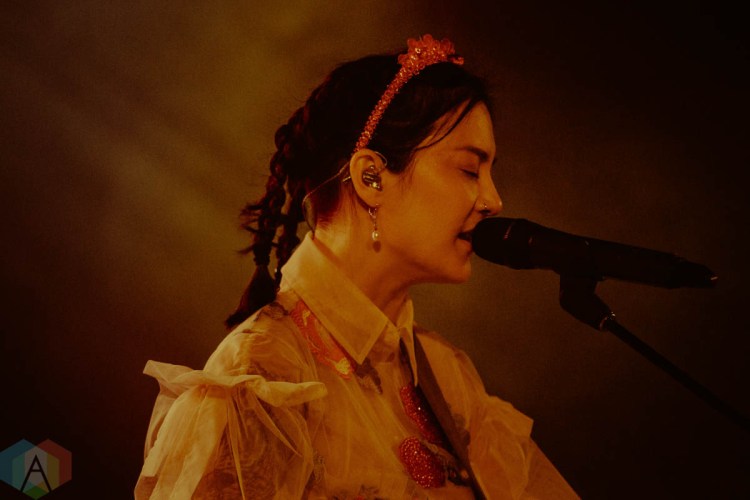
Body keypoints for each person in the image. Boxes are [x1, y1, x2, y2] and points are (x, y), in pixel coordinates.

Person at [135, 34, 578, 499]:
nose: (493, 200)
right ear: (371, 177)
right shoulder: (265, 378)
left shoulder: (447, 375)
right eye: (470, 170)